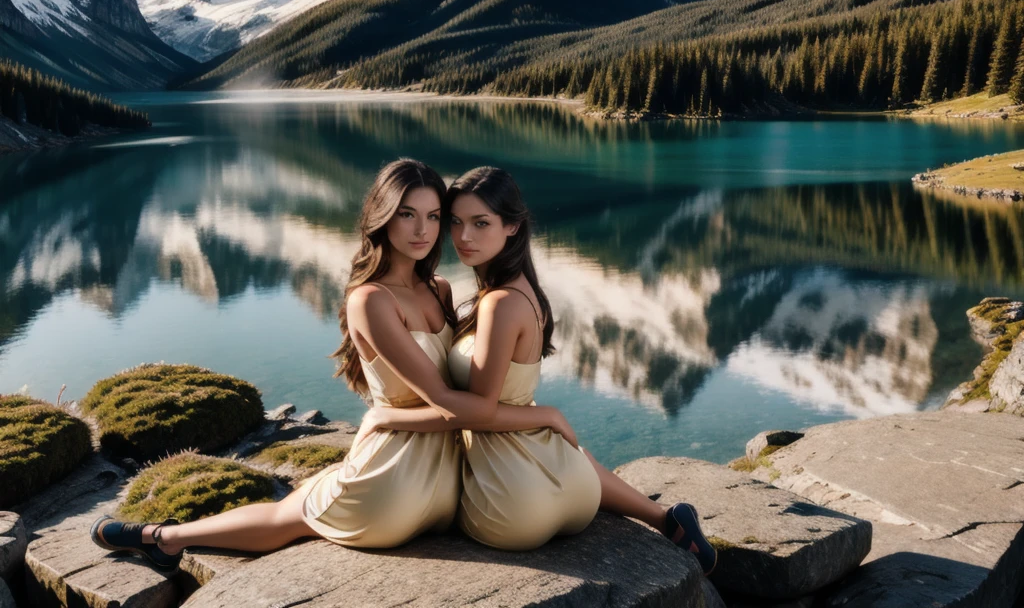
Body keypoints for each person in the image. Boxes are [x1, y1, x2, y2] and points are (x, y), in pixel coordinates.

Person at [90, 158, 576, 571]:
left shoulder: (413, 293)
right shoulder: (393, 297)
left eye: (433, 216)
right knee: (307, 496)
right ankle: (165, 537)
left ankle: (164, 538)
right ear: (382, 216)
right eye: (407, 214)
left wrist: (385, 416)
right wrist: (545, 414)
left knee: (288, 516)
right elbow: (458, 400)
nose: (424, 230)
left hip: (403, 483)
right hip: (448, 483)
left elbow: (458, 402)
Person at [366, 166, 717, 573]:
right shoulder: (523, 290)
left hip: (511, 508)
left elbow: (477, 412)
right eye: (456, 222)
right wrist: (543, 418)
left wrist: (387, 416)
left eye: (481, 223)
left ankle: (662, 517)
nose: (463, 237)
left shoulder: (498, 303)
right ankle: (664, 518)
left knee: (432, 505)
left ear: (513, 226)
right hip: (577, 491)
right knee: (565, 448)